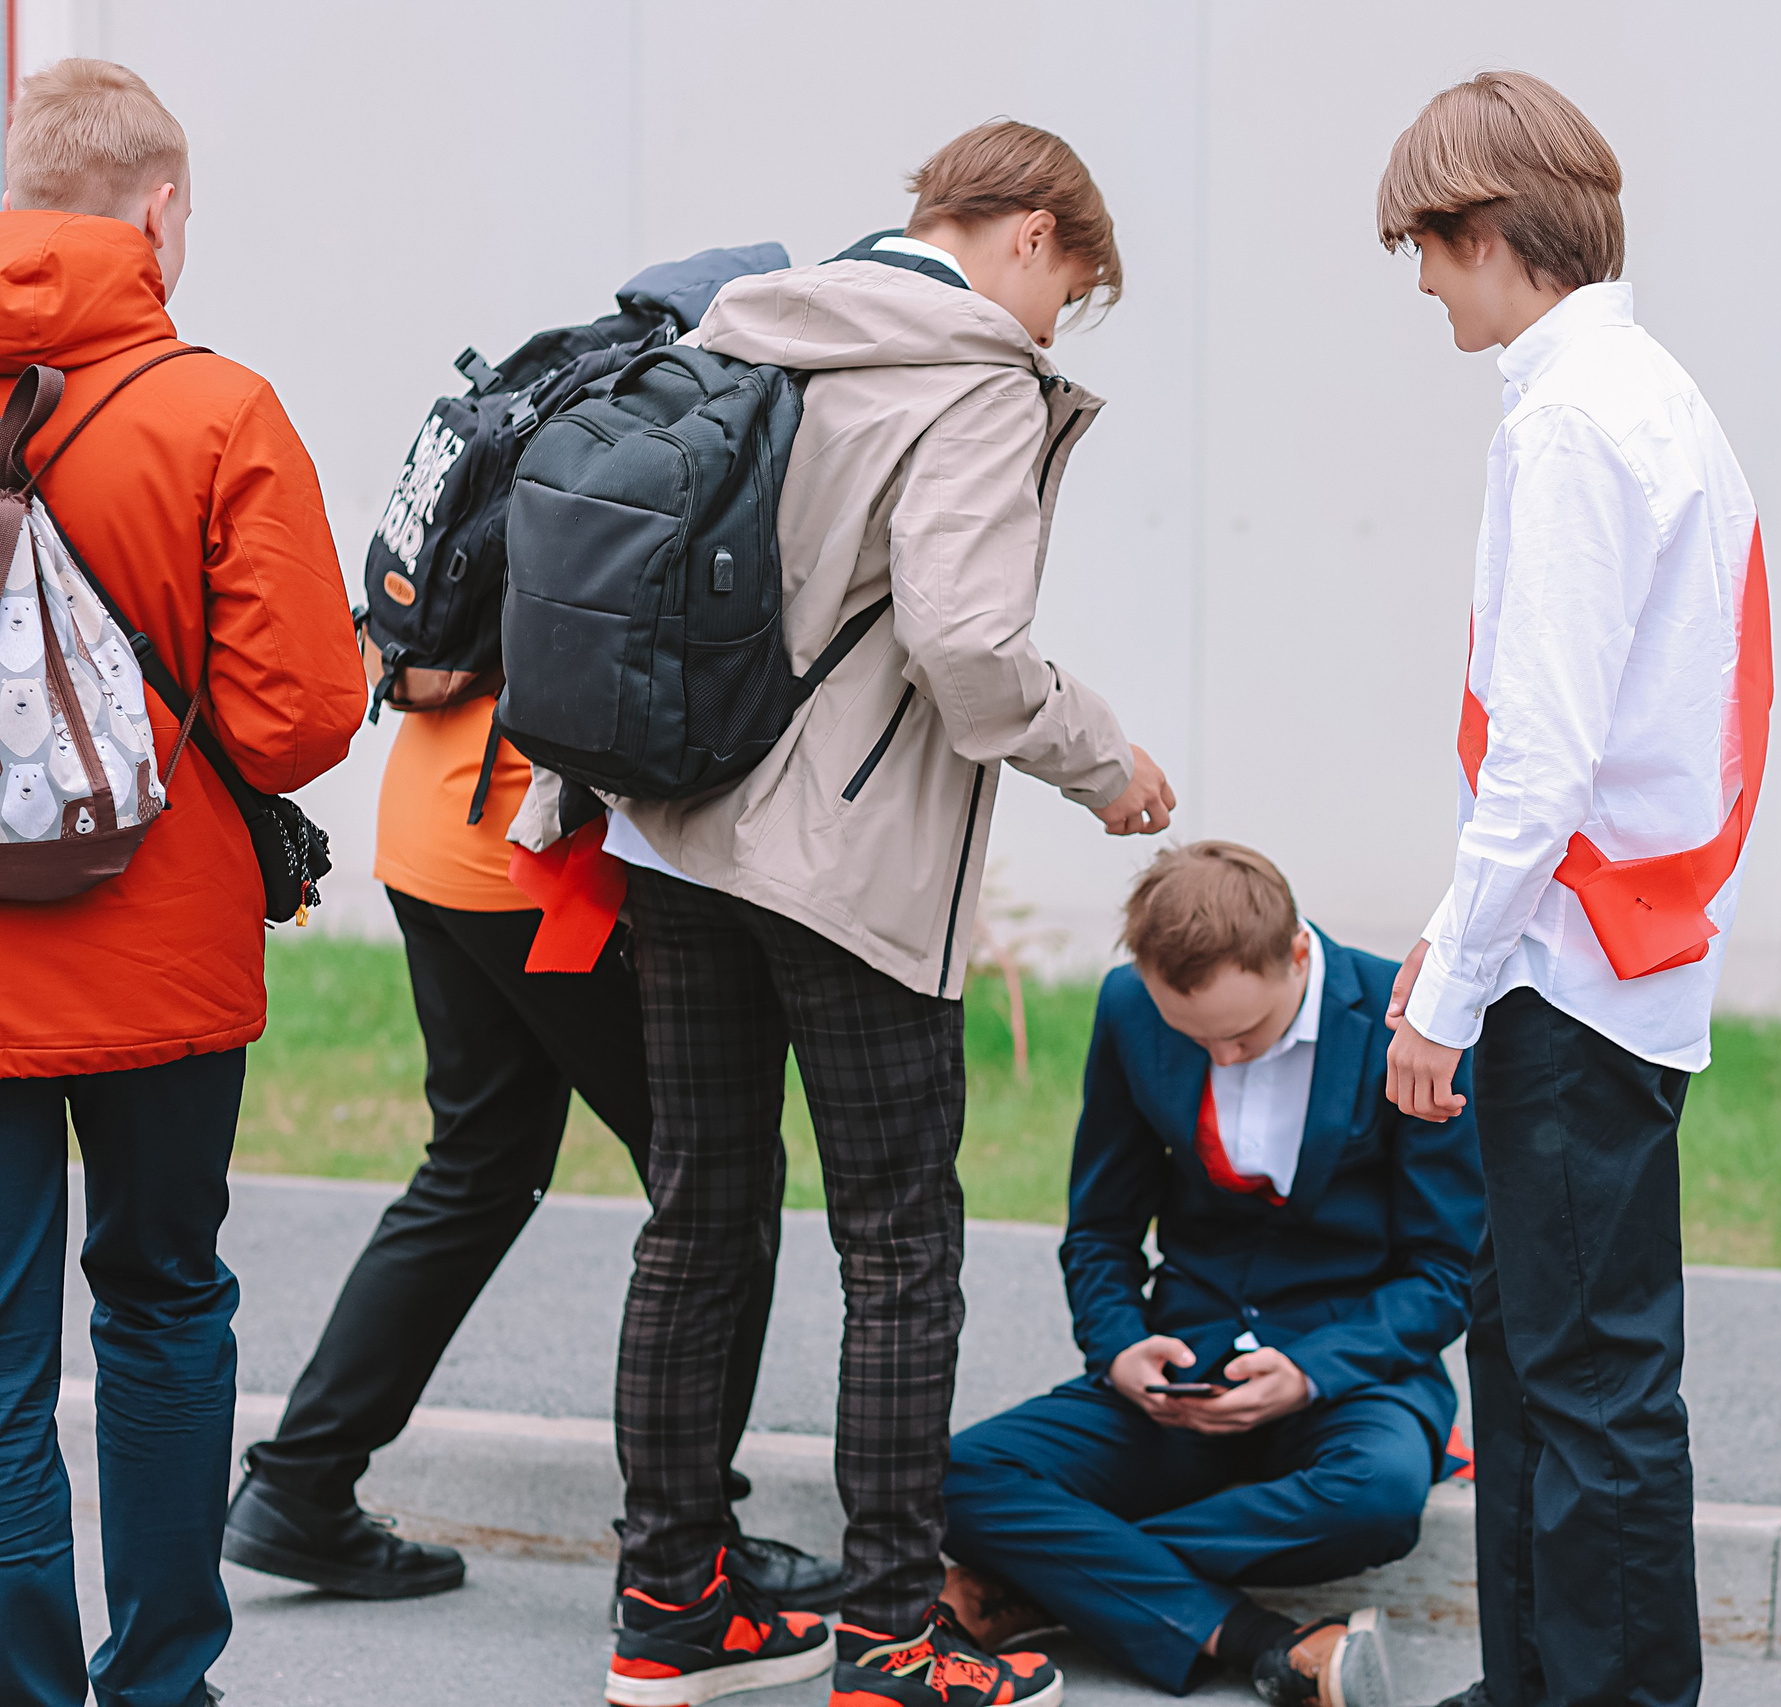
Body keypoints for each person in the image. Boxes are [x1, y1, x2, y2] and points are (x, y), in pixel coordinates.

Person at [597, 121, 1179, 1707]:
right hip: (841, 867)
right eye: (1071, 294)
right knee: (901, 1245)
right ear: (1034, 237)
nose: (1055, 328)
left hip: (673, 836)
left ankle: (667, 1604)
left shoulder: (762, 320)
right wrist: (1102, 754)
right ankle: (891, 1635)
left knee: (700, 1212)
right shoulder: (978, 372)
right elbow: (967, 642)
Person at [222, 256, 846, 1620]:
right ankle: (689, 1538)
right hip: (528, 856)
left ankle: (300, 1485)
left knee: (481, 1160)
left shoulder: (553, 389)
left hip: (429, 834)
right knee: (718, 1186)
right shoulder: (690, 421)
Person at [1372, 73, 1772, 1707]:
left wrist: (1448, 986)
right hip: (1618, 940)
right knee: (1544, 1358)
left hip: (1574, 958)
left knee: (1583, 1371)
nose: (1420, 285)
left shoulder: (1570, 418)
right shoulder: (1648, 393)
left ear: (1488, 233)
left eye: (1425, 248)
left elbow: (1541, 757)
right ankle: (1536, 1680)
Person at [0, 58, 369, 1707]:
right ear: (156, 210)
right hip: (157, 962)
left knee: (1, 1375)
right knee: (159, 1308)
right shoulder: (217, 408)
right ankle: (157, 1683)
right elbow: (294, 725)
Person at [936, 842, 1483, 1707]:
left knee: (1376, 1498)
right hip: (1178, 1368)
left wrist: (1311, 1372)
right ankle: (1261, 1640)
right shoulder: (1129, 1007)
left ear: (1298, 953)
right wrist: (1117, 1347)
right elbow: (1101, 1230)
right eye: (1195, 1038)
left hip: (1351, 1377)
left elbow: (1448, 1271)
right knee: (958, 1475)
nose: (1221, 1058)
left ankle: (1044, 1583)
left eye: (1243, 1034)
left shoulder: (1400, 1019)